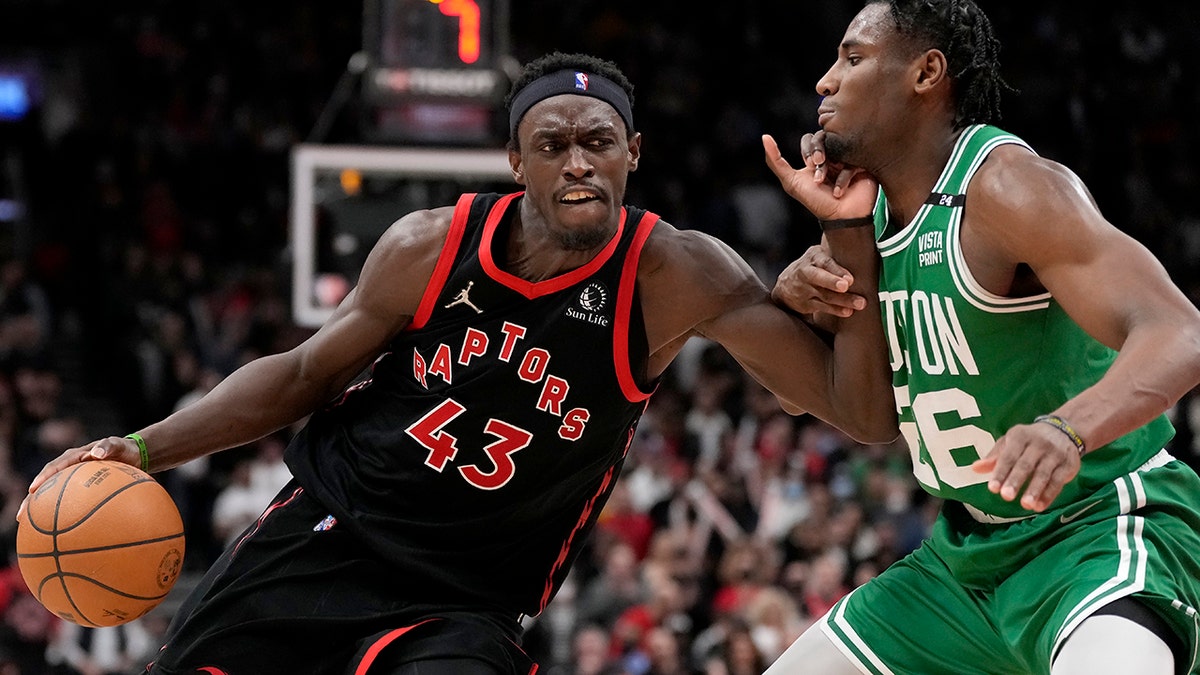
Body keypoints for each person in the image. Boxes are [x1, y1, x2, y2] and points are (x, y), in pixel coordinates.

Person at [20, 51, 897, 675]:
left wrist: (850, 234)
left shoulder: (678, 273)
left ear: (634, 154)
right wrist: (140, 448)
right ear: (516, 161)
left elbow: (855, 411)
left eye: (599, 140)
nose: (578, 161)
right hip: (328, 532)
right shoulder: (428, 247)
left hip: (468, 598)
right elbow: (298, 377)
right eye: (552, 144)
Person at [759, 2, 1200, 674]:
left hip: (1099, 531)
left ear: (926, 73)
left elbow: (1180, 330)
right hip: (964, 561)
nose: (825, 80)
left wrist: (1065, 428)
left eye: (852, 58)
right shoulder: (864, 214)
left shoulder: (1006, 188)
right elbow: (865, 418)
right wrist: (832, 260)